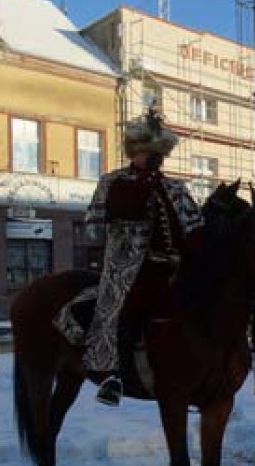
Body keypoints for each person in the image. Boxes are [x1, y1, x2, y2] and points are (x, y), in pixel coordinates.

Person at [83, 108, 203, 406]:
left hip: (172, 266)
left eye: (158, 155)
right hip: (130, 266)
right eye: (148, 153)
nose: (154, 159)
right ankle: (114, 375)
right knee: (121, 311)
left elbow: (194, 225)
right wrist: (142, 181)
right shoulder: (113, 181)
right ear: (134, 152)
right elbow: (102, 219)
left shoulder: (175, 186)